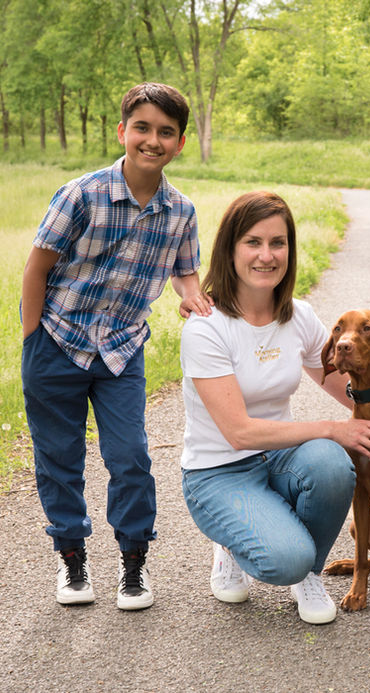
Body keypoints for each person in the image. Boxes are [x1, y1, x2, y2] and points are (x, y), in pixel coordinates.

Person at [21, 83, 212, 611]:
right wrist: (31, 340)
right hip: (56, 343)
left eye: (166, 132)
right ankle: (72, 561)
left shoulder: (181, 211)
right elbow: (36, 269)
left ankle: (133, 565)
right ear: (123, 131)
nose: (153, 140)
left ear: (178, 143)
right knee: (59, 458)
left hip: (121, 352)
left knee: (130, 456)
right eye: (143, 128)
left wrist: (194, 297)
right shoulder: (81, 194)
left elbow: (186, 273)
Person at [179, 191, 370, 624]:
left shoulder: (298, 316)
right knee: (285, 557)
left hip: (278, 460)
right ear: (230, 249)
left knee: (334, 465)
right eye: (253, 242)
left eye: (278, 243)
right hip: (217, 471)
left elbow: (345, 385)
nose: (267, 255)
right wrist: (333, 429)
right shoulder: (205, 328)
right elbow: (239, 433)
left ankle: (308, 573)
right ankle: (231, 545)